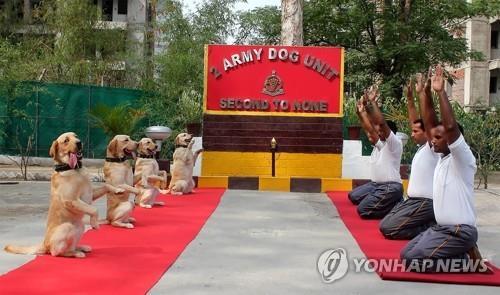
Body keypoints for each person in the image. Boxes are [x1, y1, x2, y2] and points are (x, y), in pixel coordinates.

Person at [401, 65, 479, 272]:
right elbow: (430, 123)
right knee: (405, 254)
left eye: (438, 138)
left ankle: (466, 261)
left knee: (414, 260)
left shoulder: (462, 159)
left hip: (459, 231)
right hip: (441, 228)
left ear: (453, 141)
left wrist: (441, 92)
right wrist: (423, 94)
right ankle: (461, 254)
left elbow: (450, 127)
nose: (432, 141)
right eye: (432, 137)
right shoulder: (441, 158)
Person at [379, 77, 439, 239]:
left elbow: (429, 120)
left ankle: (432, 227)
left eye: (415, 132)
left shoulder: (434, 148)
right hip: (412, 201)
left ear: (428, 133)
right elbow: (415, 120)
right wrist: (410, 98)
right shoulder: (422, 149)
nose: (412, 134)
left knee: (390, 229)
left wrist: (423, 94)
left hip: (425, 203)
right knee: (384, 225)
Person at [347, 86, 403, 219]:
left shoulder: (394, 144)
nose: (377, 133)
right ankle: (388, 202)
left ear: (390, 133)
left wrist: (372, 103)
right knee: (353, 196)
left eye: (380, 131)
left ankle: (394, 206)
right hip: (376, 185)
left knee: (363, 210)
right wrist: (361, 113)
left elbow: (381, 123)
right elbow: (369, 130)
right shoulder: (379, 145)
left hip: (390, 187)